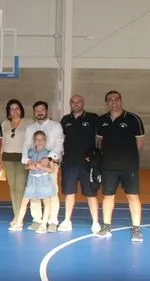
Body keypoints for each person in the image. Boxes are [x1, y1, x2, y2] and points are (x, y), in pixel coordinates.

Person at [95, 90, 144, 242]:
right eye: (110, 99)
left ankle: (136, 229)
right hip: (108, 166)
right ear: (106, 103)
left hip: (129, 166)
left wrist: (129, 158)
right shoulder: (101, 120)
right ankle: (106, 227)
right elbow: (99, 142)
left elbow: (139, 143)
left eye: (116, 99)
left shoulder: (133, 119)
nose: (113, 101)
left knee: (132, 196)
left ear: (121, 101)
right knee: (108, 196)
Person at [58, 95, 101, 233]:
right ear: (70, 104)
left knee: (91, 194)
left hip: (86, 164)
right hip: (69, 163)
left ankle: (95, 222)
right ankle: (66, 221)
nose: (76, 104)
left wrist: (96, 155)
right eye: (73, 102)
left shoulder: (93, 118)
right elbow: (61, 140)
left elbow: (101, 138)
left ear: (83, 103)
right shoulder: (65, 120)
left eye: (79, 102)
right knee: (69, 193)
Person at [21, 101, 64, 231]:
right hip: (34, 165)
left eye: (42, 109)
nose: (39, 112)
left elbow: (59, 144)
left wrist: (48, 157)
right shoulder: (30, 128)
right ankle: (37, 219)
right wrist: (26, 160)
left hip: (49, 164)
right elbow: (26, 145)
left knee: (51, 193)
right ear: (34, 113)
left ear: (46, 110)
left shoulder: (56, 126)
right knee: (34, 193)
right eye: (37, 110)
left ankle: (52, 221)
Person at [12, 131, 57, 233]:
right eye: (37, 139)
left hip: (44, 181)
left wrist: (42, 167)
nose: (39, 141)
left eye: (41, 139)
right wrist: (29, 166)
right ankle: (19, 223)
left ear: (45, 141)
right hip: (32, 181)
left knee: (46, 202)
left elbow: (52, 170)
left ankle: (44, 225)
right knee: (25, 201)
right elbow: (26, 166)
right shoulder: (30, 152)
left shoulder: (48, 154)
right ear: (34, 141)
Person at [1, 99, 29, 220]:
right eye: (12, 109)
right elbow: (1, 143)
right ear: (9, 112)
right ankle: (16, 214)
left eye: (17, 108)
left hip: (23, 158)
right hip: (7, 158)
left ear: (21, 110)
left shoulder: (29, 122)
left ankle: (20, 215)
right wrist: (0, 160)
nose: (15, 111)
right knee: (12, 187)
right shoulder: (4, 124)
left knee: (20, 186)